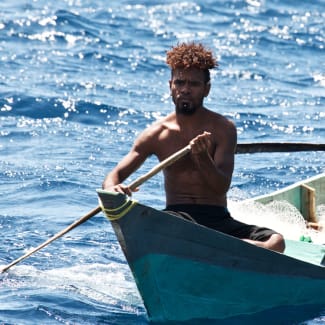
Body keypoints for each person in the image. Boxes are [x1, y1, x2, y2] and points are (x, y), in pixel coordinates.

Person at [102, 42, 285, 253]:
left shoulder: (223, 129)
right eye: (179, 83)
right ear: (170, 86)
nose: (185, 90)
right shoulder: (156, 134)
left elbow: (220, 187)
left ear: (207, 89)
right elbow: (114, 176)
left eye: (194, 84)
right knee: (170, 227)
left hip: (217, 218)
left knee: (276, 243)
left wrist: (202, 158)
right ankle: (219, 248)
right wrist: (112, 188)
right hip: (178, 218)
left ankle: (218, 247)